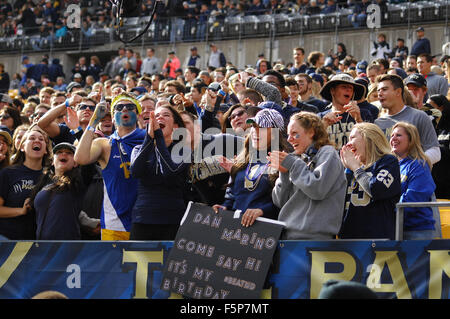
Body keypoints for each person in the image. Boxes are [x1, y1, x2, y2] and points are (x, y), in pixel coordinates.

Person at [74, 92, 146, 240]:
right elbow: (80, 158)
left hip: (145, 220)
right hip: (115, 224)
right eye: (119, 107)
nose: (124, 109)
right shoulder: (105, 144)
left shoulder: (149, 139)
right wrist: (94, 121)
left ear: (138, 115)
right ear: (112, 118)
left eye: (130, 107)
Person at [270, 112, 347, 240]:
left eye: (294, 133)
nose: (289, 139)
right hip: (288, 237)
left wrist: (294, 165)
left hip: (315, 240)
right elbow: (280, 201)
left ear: (311, 132)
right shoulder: (296, 159)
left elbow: (317, 190)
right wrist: (283, 173)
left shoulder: (328, 153)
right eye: (288, 135)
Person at [213, 109, 288, 226]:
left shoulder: (284, 161)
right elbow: (232, 197)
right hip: (236, 230)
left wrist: (262, 210)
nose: (255, 131)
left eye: (261, 128)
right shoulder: (241, 161)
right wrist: (224, 208)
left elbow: (286, 201)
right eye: (253, 127)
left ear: (274, 134)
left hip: (264, 231)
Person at [129, 105, 188, 240]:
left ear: (176, 127)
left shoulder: (184, 151)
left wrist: (159, 139)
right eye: (156, 116)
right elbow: (136, 171)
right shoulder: (138, 149)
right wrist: (149, 139)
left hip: (173, 220)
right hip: (142, 219)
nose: (160, 117)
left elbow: (169, 172)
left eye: (166, 115)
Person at [339, 123, 401, 239]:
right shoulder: (351, 168)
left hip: (378, 238)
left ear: (368, 138)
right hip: (348, 238)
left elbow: (377, 189)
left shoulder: (388, 161)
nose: (348, 143)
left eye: (352, 138)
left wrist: (356, 170)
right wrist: (349, 169)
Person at [374, 74, 441, 165]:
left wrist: (413, 166)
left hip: (413, 178)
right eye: (378, 90)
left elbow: (435, 152)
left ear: (398, 92)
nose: (380, 94)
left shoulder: (419, 116)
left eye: (384, 89)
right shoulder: (378, 123)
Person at [0, 125, 52, 240]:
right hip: (7, 241)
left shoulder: (51, 177)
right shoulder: (8, 173)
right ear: (22, 147)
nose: (37, 140)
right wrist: (21, 211)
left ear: (45, 150)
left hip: (37, 244)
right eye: (32, 138)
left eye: (41, 139)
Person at [389, 122, 436, 240]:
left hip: (416, 231)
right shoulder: (392, 165)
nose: (393, 138)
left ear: (411, 141)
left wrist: (388, 214)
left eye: (398, 135)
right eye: (392, 135)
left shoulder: (419, 165)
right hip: (395, 228)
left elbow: (415, 198)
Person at [30, 142, 86, 240]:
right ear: (52, 161)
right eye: (59, 152)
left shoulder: (78, 181)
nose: (63, 154)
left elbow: (86, 154)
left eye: (69, 153)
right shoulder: (43, 183)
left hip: (67, 248)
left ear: (76, 162)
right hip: (41, 247)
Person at [318, 73, 372, 149]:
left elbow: (371, 143)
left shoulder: (364, 113)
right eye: (344, 87)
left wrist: (359, 119)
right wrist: (323, 126)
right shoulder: (320, 117)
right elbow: (312, 145)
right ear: (333, 90)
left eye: (351, 88)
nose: (348, 90)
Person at [427, 94, 450, 199]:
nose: (428, 110)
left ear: (441, 108)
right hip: (433, 180)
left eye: (430, 107)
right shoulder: (430, 126)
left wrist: (436, 150)